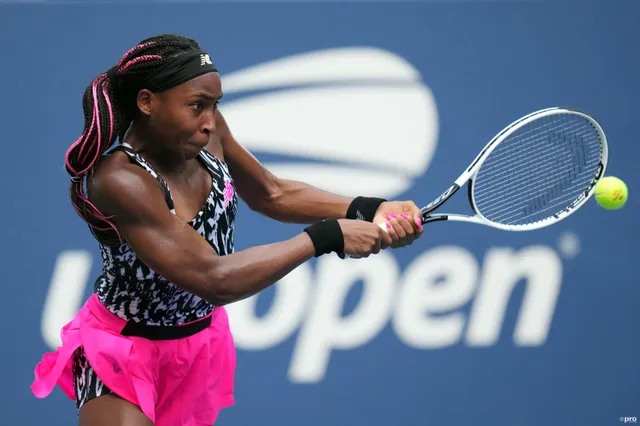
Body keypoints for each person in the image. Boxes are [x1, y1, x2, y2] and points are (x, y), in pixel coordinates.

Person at [31, 34, 425, 426]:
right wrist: (326, 237)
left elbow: (272, 193)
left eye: (215, 105)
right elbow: (212, 278)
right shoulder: (120, 179)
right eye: (197, 106)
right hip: (121, 350)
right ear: (147, 101)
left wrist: (368, 207)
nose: (209, 121)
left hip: (197, 345)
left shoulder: (211, 131)